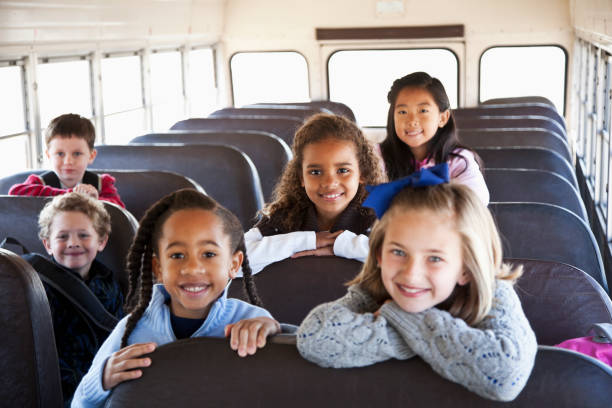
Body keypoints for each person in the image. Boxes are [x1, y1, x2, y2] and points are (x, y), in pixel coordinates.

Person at [296, 165, 537, 401]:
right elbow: (314, 337)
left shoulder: (495, 295)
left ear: (465, 269)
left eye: (434, 258)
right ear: (379, 255)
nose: (411, 274)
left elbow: (506, 375)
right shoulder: (374, 288)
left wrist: (403, 317)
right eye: (398, 252)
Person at [71, 189, 280, 408]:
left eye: (208, 254)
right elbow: (80, 403)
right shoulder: (131, 330)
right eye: (177, 255)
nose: (192, 268)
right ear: (158, 268)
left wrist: (274, 331)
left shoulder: (251, 320)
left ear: (233, 265)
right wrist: (102, 379)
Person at [245, 113, 385, 275]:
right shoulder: (285, 215)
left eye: (343, 170)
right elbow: (235, 260)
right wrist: (308, 241)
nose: (329, 182)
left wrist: (342, 245)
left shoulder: (379, 216)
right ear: (301, 177)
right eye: (316, 172)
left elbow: (406, 259)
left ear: (362, 173)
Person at [23, 192, 123, 406]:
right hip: (59, 386)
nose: (73, 243)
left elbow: (119, 337)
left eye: (84, 235)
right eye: (62, 236)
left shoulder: (108, 283)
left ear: (102, 241)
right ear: (47, 244)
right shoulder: (39, 287)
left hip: (105, 379)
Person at [379, 72, 489, 205]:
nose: (412, 121)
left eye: (423, 111)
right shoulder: (376, 156)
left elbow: (474, 206)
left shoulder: (459, 161)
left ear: (442, 118)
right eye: (402, 112)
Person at [9, 113, 125, 208]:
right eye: (60, 154)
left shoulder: (102, 183)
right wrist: (72, 196)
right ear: (49, 155)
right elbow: (15, 192)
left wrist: (96, 200)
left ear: (91, 156)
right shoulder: (39, 182)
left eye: (77, 154)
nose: (68, 161)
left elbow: (119, 209)